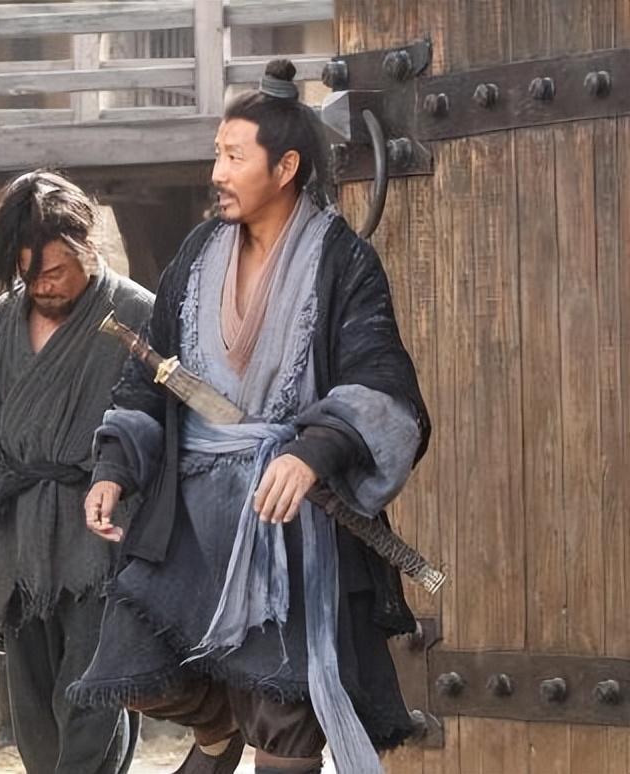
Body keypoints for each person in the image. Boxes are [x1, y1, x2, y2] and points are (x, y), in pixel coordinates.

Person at [68, 60, 431, 774]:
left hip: (285, 531)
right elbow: (149, 379)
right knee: (143, 666)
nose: (218, 173)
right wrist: (114, 466)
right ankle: (214, 731)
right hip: (192, 523)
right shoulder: (197, 254)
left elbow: (384, 384)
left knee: (283, 729)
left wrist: (313, 450)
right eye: (217, 154)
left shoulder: (343, 262)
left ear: (286, 167)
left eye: (235, 157)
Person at [0, 171, 153, 773]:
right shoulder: (0, 322)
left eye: (56, 272)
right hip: (16, 535)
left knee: (92, 695)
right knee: (33, 709)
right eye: (29, 275)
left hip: (102, 534)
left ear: (86, 248)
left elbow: (157, 421)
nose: (43, 286)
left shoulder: (134, 314)